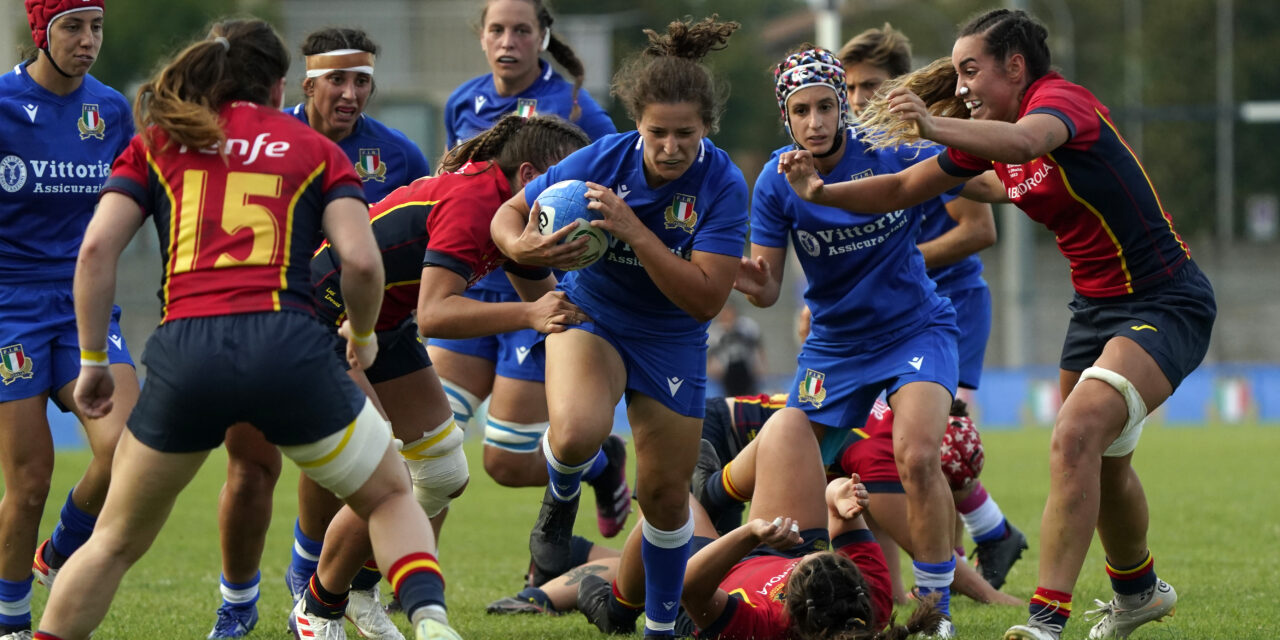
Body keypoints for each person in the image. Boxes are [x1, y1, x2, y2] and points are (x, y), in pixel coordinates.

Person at [780, 9, 1216, 640]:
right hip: (1094, 310)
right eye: (956, 74)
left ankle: (1044, 621)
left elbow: (1025, 145)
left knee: (1075, 436)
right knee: (1103, 460)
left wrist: (931, 124)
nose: (960, 86)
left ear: (1015, 67)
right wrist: (821, 194)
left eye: (970, 71)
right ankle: (1139, 590)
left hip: (1164, 299)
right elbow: (901, 188)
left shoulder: (1059, 102)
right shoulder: (987, 139)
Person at [32, 20, 462, 640]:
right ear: (282, 85)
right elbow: (364, 262)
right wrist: (364, 335)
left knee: (115, 541)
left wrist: (94, 358)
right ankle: (429, 618)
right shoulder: (315, 148)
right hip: (289, 348)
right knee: (393, 495)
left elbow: (95, 251)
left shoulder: (161, 141)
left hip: (186, 354)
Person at [490, 14, 749, 636]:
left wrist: (635, 231)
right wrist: (523, 248)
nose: (670, 147)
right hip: (594, 314)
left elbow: (706, 300)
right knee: (578, 432)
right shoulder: (601, 160)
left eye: (685, 134)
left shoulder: (722, 184)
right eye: (657, 132)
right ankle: (560, 501)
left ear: (706, 128)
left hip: (672, 337)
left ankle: (659, 626)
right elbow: (509, 213)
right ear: (637, 124)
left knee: (664, 498)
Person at [286, 113, 592, 640]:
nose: (576, 200)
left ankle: (359, 588)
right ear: (528, 177)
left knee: (443, 472)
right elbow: (434, 315)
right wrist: (529, 315)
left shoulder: (515, 220)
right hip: (320, 318)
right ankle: (317, 608)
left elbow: (557, 304)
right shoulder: (475, 202)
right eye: (567, 184)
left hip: (379, 324)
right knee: (384, 477)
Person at [735, 45, 982, 638]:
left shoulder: (889, 149)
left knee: (917, 456)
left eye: (826, 106)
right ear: (785, 116)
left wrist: (1026, 167)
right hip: (835, 347)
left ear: (843, 105)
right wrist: (734, 273)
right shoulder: (774, 181)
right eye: (801, 111)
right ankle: (734, 544)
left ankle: (937, 612)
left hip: (916, 329)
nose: (815, 121)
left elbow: (976, 180)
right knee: (785, 457)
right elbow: (766, 290)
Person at [207, 26, 434, 639]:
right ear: (305, 85)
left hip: (359, 334)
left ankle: (312, 577)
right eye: (337, 79)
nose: (351, 93)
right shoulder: (260, 143)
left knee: (375, 456)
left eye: (362, 80)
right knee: (251, 468)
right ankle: (237, 604)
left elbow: (415, 243)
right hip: (265, 323)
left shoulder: (398, 155)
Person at [838, 24, 1027, 591]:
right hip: (893, 317)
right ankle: (974, 545)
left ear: (904, 88)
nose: (859, 99)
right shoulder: (857, 152)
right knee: (886, 448)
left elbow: (980, 230)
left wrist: (898, 263)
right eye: (850, 88)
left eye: (872, 86)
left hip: (951, 307)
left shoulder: (925, 148)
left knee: (931, 449)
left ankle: (952, 568)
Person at [439, 0, 630, 540]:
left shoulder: (576, 108)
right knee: (426, 442)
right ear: (482, 36)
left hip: (537, 296)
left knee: (503, 462)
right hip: (472, 287)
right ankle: (410, 574)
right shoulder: (462, 101)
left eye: (521, 30)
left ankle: (601, 464)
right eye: (497, 29)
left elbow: (616, 178)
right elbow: (455, 183)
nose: (508, 41)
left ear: (542, 37)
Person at [0, 2, 140, 638]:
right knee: (29, 482)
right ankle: (10, 622)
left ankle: (58, 551)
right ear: (41, 32)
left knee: (129, 451)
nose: (88, 41)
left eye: (96, 27)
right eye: (72, 27)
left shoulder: (109, 110)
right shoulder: (4, 104)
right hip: (11, 311)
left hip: (84, 303)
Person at [706, 300, 766, 396]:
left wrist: (761, 366)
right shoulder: (714, 332)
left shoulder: (747, 327)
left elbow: (758, 349)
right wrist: (712, 370)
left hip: (747, 372)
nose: (727, 317)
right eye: (724, 314)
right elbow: (708, 358)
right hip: (724, 376)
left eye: (729, 313)